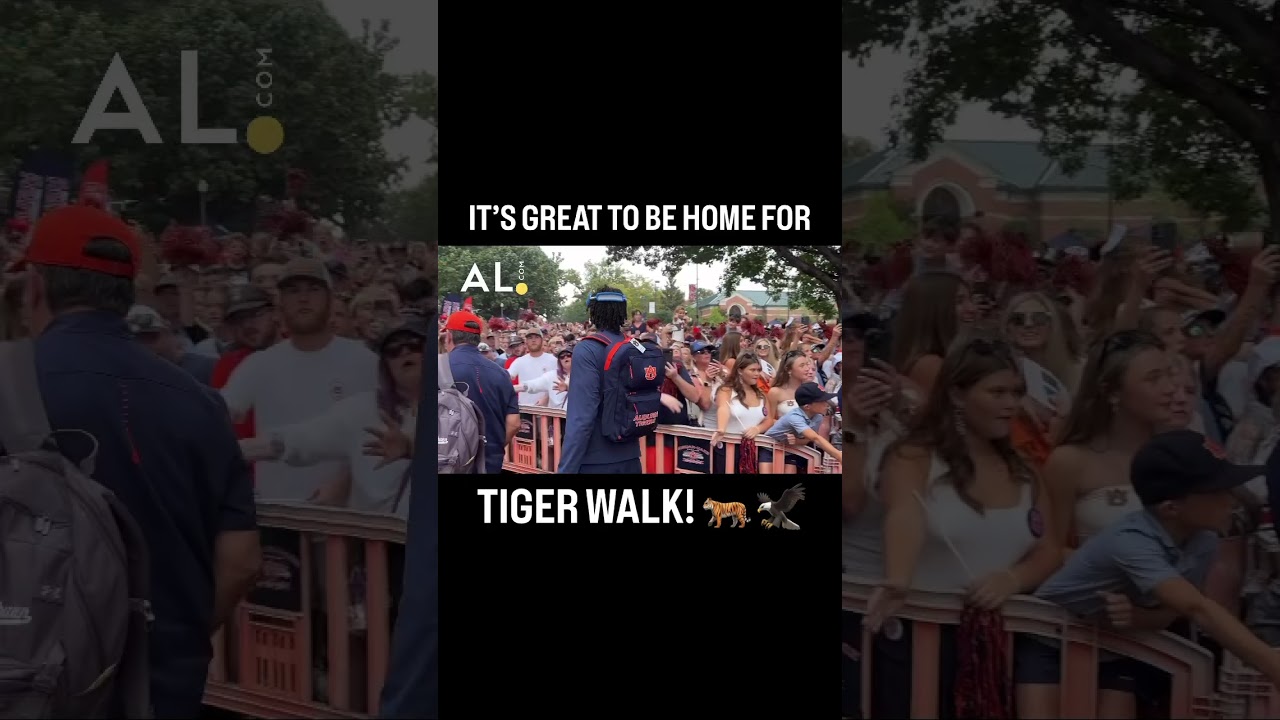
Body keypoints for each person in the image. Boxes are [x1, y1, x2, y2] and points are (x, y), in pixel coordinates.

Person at [11, 204, 261, 717]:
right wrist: (167, 635)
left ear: (34, 287)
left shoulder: (9, 383)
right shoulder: (199, 402)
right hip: (160, 685)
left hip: (24, 680)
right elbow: (241, 563)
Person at [1025, 430, 1280, 710]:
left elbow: (1172, 614)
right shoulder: (1131, 542)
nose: (1231, 500)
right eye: (1217, 491)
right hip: (1046, 640)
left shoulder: (1204, 540)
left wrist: (1140, 617)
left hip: (1113, 644)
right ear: (1171, 508)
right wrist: (1271, 664)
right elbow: (1198, 608)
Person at [220, 257, 379, 501]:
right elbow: (220, 414)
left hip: (347, 517)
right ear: (280, 304)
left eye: (313, 290)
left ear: (330, 298)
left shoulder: (365, 361)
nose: (303, 299)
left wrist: (343, 482)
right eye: (293, 291)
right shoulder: (259, 365)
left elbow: (377, 437)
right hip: (278, 513)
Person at [239, 317, 425, 515]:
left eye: (415, 345)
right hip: (380, 539)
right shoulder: (364, 409)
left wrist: (410, 449)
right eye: (393, 350)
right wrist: (233, 450)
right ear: (385, 366)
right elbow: (298, 440)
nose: (405, 352)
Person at [559, 287, 644, 473]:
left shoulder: (587, 349)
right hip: (631, 456)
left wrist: (566, 468)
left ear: (593, 313)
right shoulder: (636, 345)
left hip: (595, 460)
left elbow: (581, 417)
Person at [443, 309, 519, 474]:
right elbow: (514, 423)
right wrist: (490, 447)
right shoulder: (501, 373)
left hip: (445, 462)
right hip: (488, 462)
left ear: (449, 337)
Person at [125, 303, 218, 385]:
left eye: (152, 337)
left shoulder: (206, 368)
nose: (147, 347)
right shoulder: (128, 381)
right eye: (138, 341)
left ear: (168, 334)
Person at [764, 381, 843, 469]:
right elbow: (816, 438)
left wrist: (797, 441)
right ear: (807, 407)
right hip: (768, 448)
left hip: (790, 449)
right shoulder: (795, 417)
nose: (826, 403)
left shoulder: (818, 417)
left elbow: (808, 440)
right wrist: (838, 455)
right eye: (822, 401)